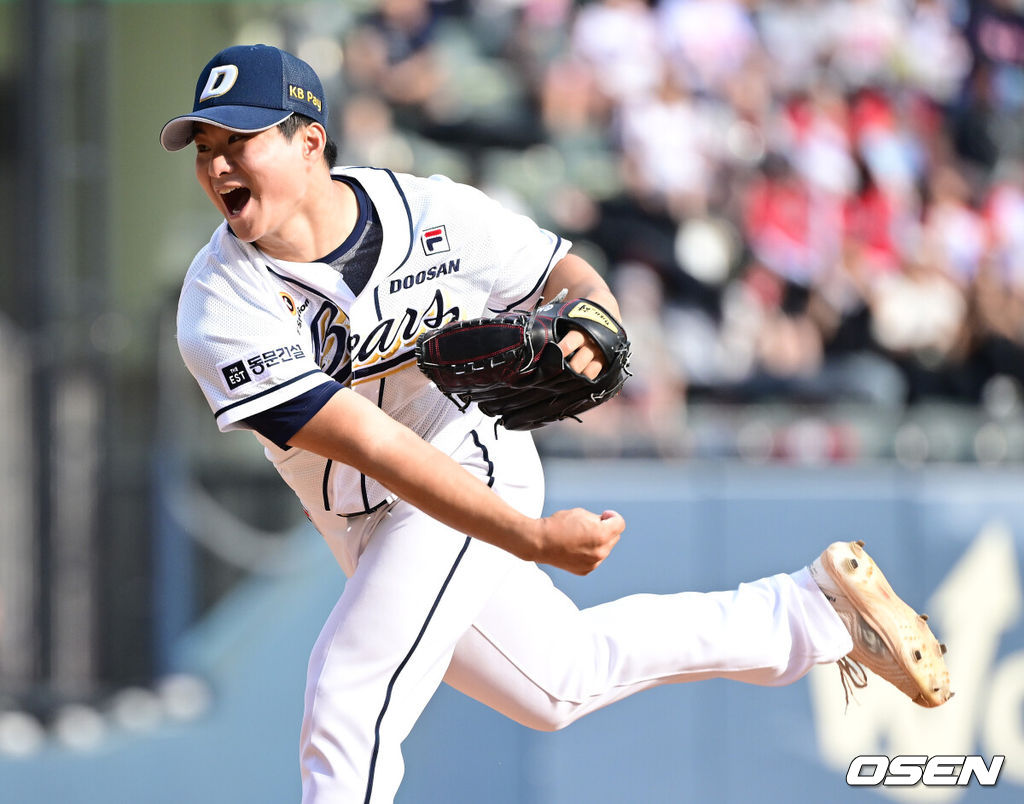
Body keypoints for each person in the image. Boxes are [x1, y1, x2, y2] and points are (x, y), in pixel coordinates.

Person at [160, 44, 951, 803]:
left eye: (241, 139)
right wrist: (529, 539)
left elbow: (564, 274)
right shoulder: (222, 303)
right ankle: (812, 613)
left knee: (348, 695)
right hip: (379, 512)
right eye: (204, 147)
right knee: (561, 679)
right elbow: (368, 443)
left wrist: (591, 321)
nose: (218, 164)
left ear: (309, 143)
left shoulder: (432, 214)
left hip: (471, 460)